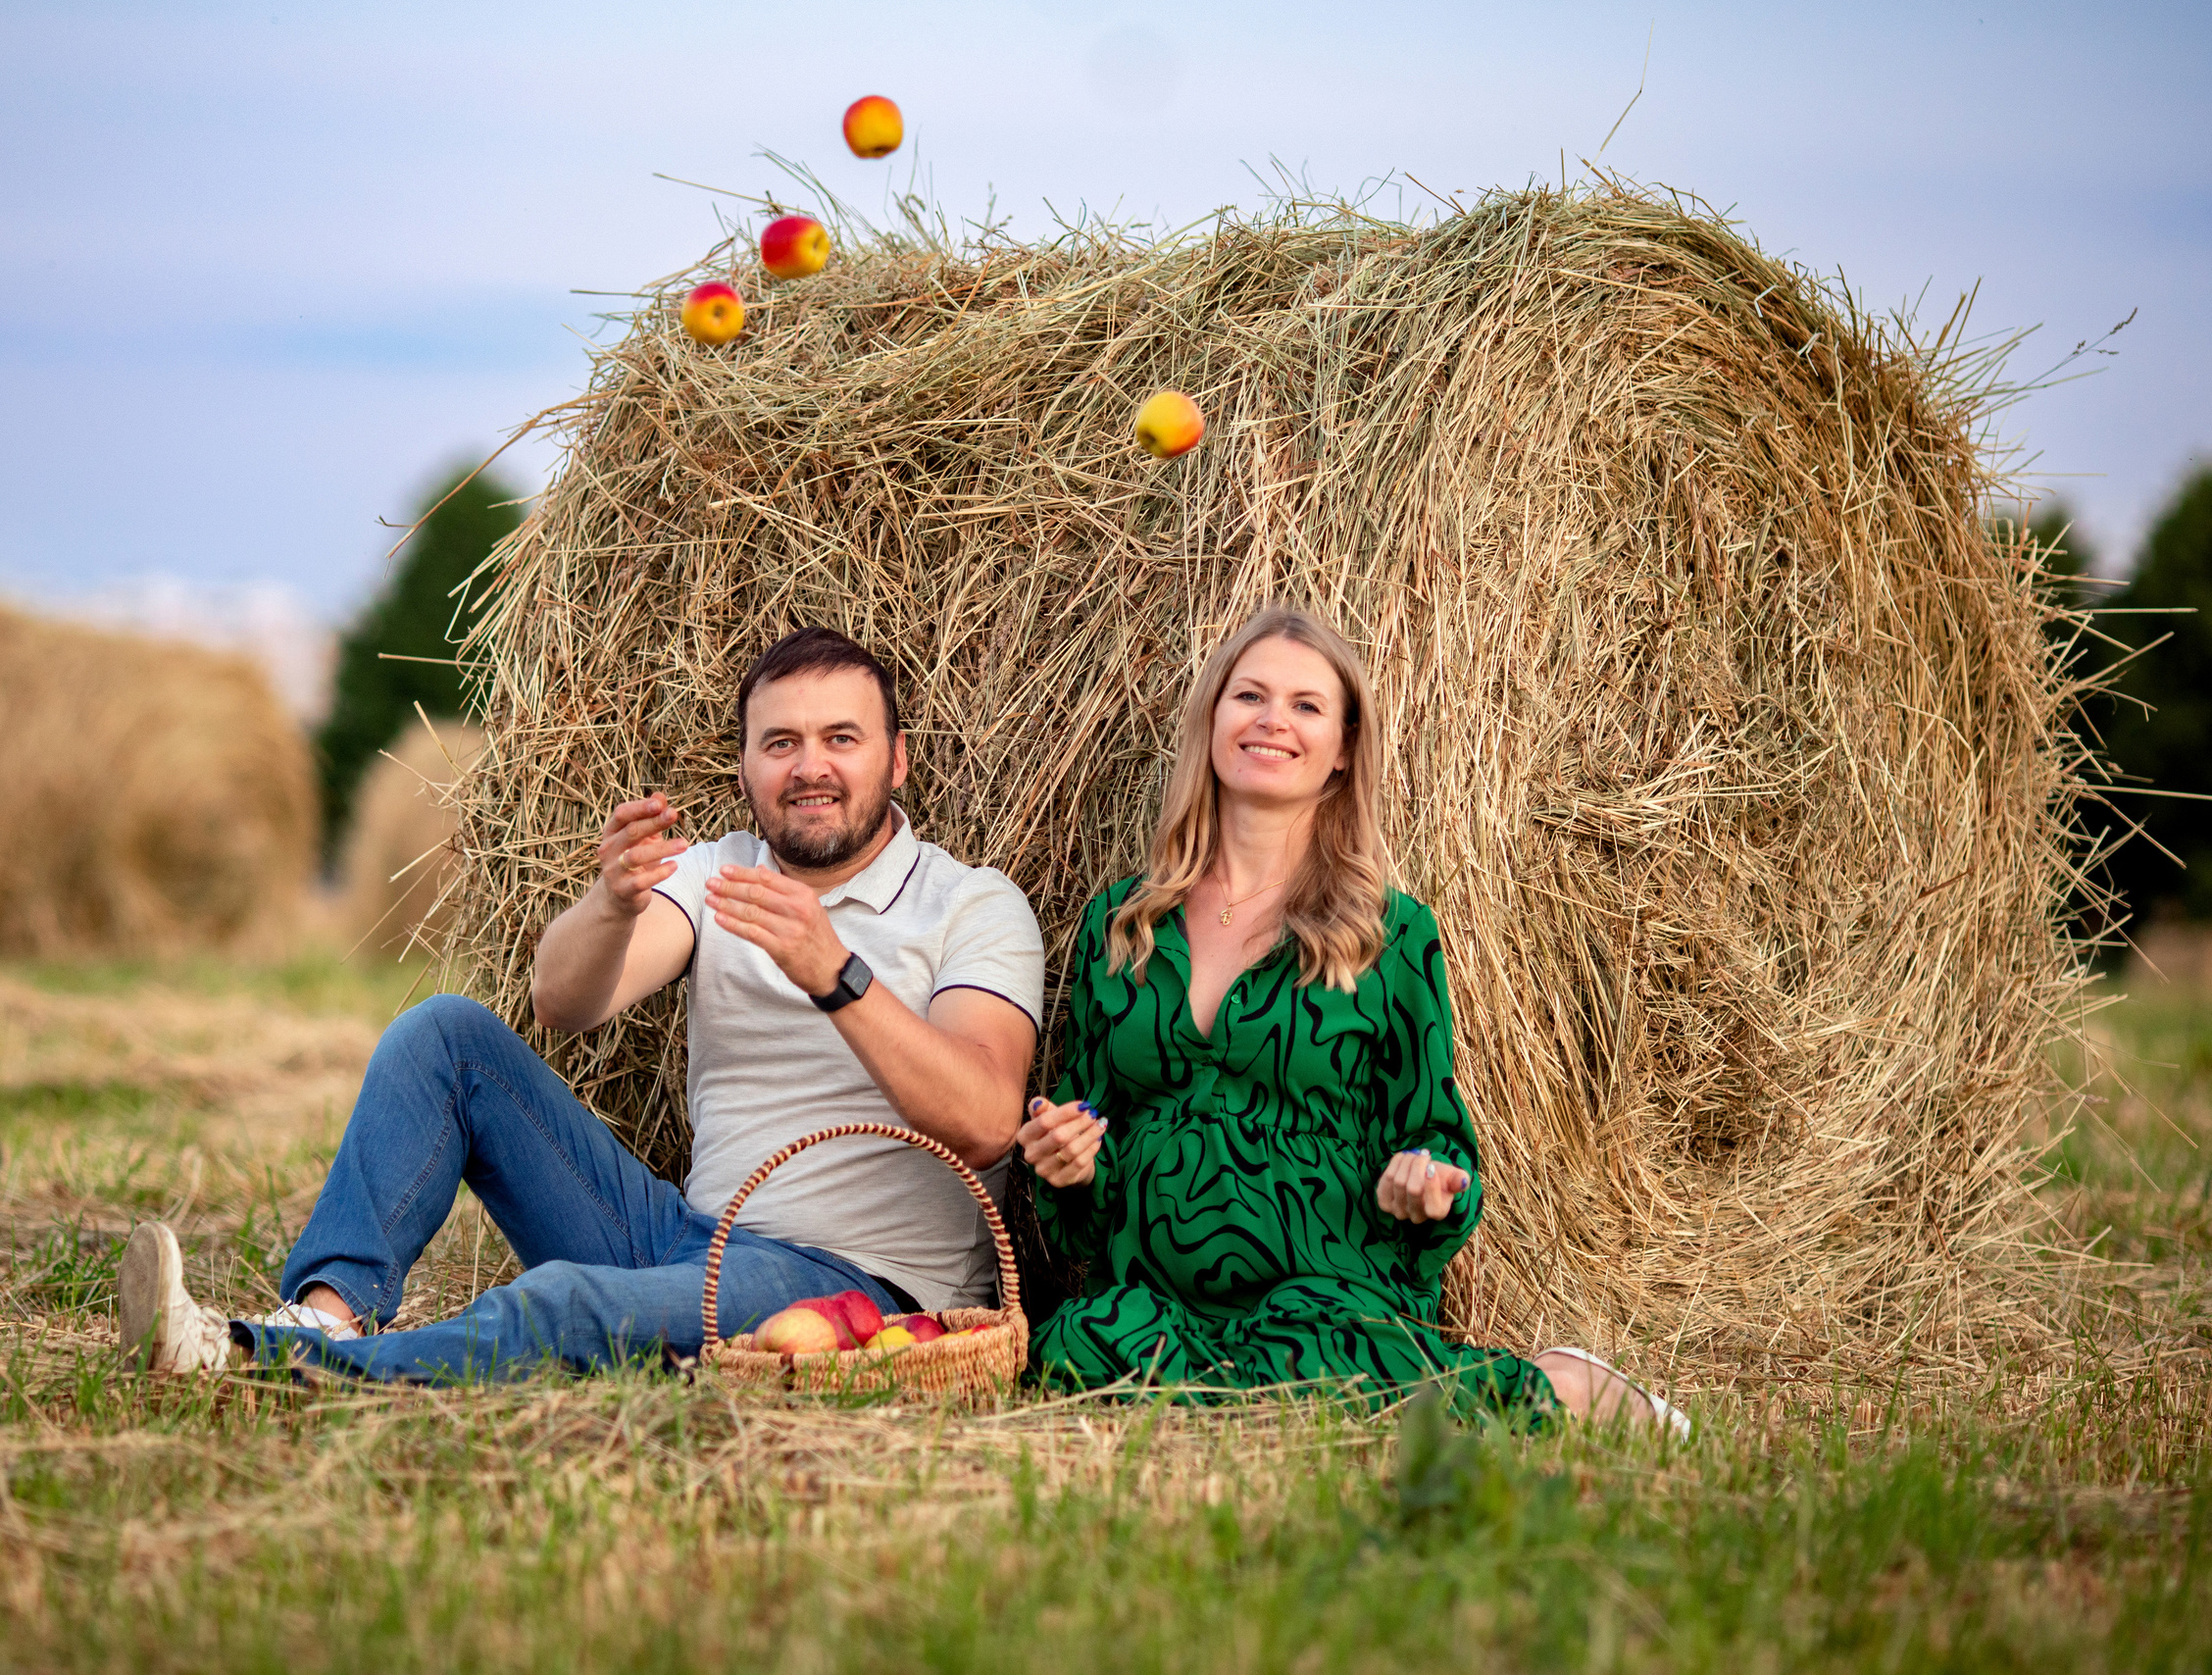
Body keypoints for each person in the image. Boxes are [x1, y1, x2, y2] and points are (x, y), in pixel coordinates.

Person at [118, 627, 1045, 1382]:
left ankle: (257, 1362)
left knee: (564, 1304)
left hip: (852, 1284)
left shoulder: (970, 905)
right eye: (781, 743)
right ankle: (326, 1314)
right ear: (746, 770)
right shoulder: (718, 871)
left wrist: (833, 970)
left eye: (842, 738)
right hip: (687, 1238)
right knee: (448, 1037)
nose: (811, 767)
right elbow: (562, 1002)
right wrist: (612, 903)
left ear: (899, 761)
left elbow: (983, 1119)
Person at [1015, 607, 1687, 1434]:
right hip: (1154, 1292)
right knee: (1071, 1354)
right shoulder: (1122, 923)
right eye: (1249, 695)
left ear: (1341, 751)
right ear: (1212, 722)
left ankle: (1565, 1385)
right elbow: (1085, 1143)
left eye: (1306, 705)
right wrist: (1067, 1160)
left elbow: (1439, 1142)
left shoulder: (1392, 934)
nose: (1271, 720)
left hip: (1323, 1285)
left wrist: (1431, 1185)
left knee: (1312, 1373)